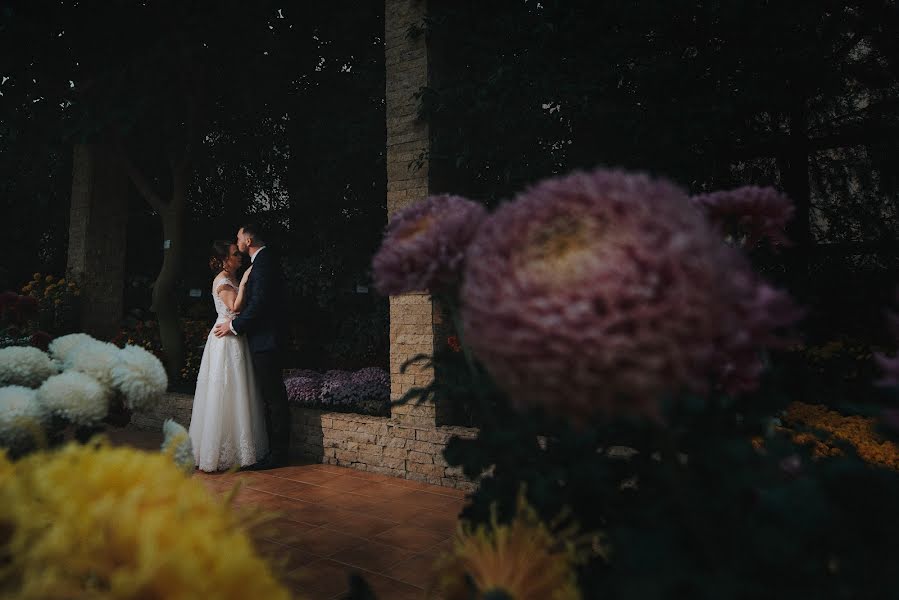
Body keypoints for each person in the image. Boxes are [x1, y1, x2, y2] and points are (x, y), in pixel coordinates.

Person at [213, 224, 290, 469]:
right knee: (268, 397)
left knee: (273, 398)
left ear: (248, 238)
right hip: (256, 340)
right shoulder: (257, 264)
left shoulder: (264, 262)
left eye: (239, 238)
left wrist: (234, 327)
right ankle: (272, 451)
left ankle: (277, 455)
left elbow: (259, 305)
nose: (238, 242)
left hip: (265, 340)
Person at [189, 241, 269, 472]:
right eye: (235, 254)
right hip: (225, 340)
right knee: (224, 390)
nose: (239, 256)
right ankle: (216, 452)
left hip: (236, 337)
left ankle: (242, 448)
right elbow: (234, 306)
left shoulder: (231, 278)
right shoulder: (223, 281)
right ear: (225, 260)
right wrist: (244, 281)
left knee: (239, 390)